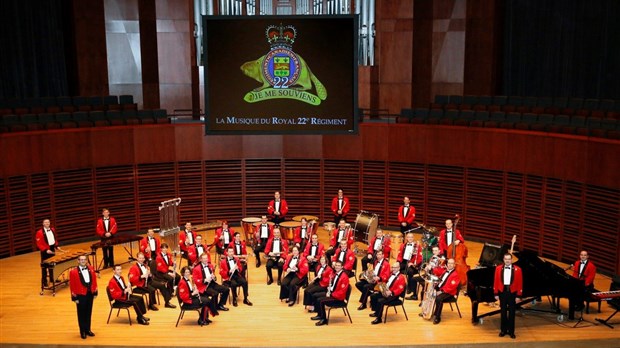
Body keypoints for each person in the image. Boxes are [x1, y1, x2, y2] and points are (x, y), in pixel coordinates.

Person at [310, 260, 350, 326]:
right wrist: (330, 288)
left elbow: (341, 292)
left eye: (339, 266)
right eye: (336, 265)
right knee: (315, 295)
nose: (337, 267)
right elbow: (333, 285)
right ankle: (319, 314)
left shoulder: (344, 277)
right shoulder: (335, 274)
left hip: (338, 298)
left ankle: (324, 319)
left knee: (320, 301)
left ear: (342, 267)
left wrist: (331, 294)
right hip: (332, 293)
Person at [494, 253, 523, 339]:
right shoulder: (498, 268)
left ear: (511, 260)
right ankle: (503, 330)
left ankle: (511, 332)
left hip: (512, 293)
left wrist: (518, 295)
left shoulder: (518, 269)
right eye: (506, 259)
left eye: (509, 259)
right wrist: (496, 293)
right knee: (503, 312)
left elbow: (520, 283)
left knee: (512, 313)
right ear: (503, 259)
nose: (507, 260)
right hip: (502, 293)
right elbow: (495, 281)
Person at [69, 255, 98, 339]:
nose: (83, 261)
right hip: (80, 295)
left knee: (88, 312)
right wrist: (75, 298)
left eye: (84, 259)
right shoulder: (73, 272)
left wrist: (95, 292)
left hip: (90, 294)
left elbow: (94, 280)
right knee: (81, 314)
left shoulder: (91, 268)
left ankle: (88, 329)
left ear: (86, 261)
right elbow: (72, 285)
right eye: (81, 260)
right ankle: (82, 331)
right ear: (78, 261)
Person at [431, 258, 460, 324]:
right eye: (449, 263)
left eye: (451, 263)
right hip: (441, 288)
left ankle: (437, 317)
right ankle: (427, 312)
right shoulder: (445, 271)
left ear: (454, 265)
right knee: (429, 292)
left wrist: (441, 291)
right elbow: (440, 279)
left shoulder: (455, 275)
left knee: (438, 298)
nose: (450, 265)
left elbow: (451, 287)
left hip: (449, 293)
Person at [396, 232, 424, 300]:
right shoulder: (403, 245)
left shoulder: (417, 246)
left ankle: (411, 290)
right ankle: (397, 288)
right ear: (406, 238)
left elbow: (420, 258)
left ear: (413, 238)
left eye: (411, 237)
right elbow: (399, 255)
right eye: (409, 237)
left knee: (410, 272)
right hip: (404, 262)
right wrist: (398, 262)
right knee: (394, 270)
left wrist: (413, 263)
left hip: (412, 263)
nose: (410, 238)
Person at [35, 218, 58, 287]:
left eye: (48, 222)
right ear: (43, 224)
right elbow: (38, 243)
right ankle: (44, 281)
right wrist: (45, 250)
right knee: (44, 267)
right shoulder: (39, 232)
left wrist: (56, 246)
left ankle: (52, 278)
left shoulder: (53, 229)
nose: (47, 223)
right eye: (45, 222)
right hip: (45, 251)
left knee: (52, 264)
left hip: (52, 249)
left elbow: (54, 239)